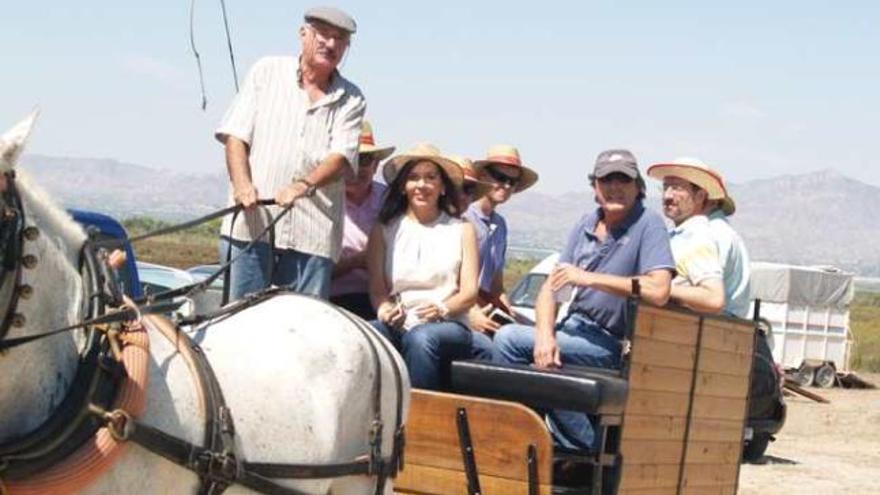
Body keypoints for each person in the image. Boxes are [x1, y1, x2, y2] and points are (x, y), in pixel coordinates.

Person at [494, 149, 675, 451]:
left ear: (638, 187)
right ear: (595, 187)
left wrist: (589, 278)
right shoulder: (585, 224)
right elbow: (551, 289)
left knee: (509, 341)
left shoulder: (649, 224)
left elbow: (659, 290)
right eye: (607, 180)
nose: (615, 187)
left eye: (623, 180)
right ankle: (554, 445)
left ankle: (534, 441)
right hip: (572, 330)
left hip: (609, 341)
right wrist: (544, 335)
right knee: (511, 347)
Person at [215, 6, 365, 301]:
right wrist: (243, 185)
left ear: (346, 47)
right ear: (303, 34)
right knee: (239, 326)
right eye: (323, 34)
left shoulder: (351, 98)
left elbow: (340, 156)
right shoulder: (266, 71)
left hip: (313, 237)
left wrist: (304, 185)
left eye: (339, 39)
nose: (330, 44)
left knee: (303, 333)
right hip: (251, 227)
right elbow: (235, 135)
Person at [366, 143, 479, 390]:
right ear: (404, 187)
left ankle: (419, 417)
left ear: (441, 187)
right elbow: (377, 289)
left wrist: (442, 308)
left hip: (447, 324)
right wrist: (385, 310)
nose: (421, 185)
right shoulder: (383, 230)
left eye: (430, 178)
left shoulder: (462, 230)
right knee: (368, 335)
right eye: (413, 178)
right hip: (400, 319)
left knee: (421, 338)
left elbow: (469, 293)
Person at [464, 145, 539, 360]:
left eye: (512, 182)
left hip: (486, 308)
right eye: (500, 177)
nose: (506, 185)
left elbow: (496, 286)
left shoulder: (500, 225)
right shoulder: (464, 217)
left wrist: (510, 313)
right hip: (461, 309)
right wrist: (471, 314)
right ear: (483, 176)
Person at [329, 121, 395, 319]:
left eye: (364, 160)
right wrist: (356, 261)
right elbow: (311, 270)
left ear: (375, 165)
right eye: (349, 160)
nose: (356, 168)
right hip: (331, 301)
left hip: (388, 301)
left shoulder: (392, 202)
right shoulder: (321, 203)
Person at [647, 157, 726, 314]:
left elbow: (714, 298)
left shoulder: (697, 239)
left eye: (677, 188)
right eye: (665, 188)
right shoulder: (677, 236)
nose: (667, 196)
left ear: (700, 196)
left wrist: (658, 288)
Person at [703, 173, 752, 318]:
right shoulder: (721, 232)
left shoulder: (712, 234)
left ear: (711, 201)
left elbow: (706, 290)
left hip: (715, 323)